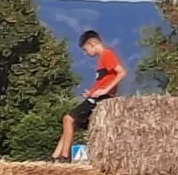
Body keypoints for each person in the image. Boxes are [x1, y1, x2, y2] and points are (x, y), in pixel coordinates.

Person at [52, 29, 125, 161]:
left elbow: (121, 73)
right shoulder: (102, 59)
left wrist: (105, 90)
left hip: (100, 98)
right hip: (95, 96)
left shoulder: (107, 54)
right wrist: (91, 92)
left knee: (68, 119)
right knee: (71, 124)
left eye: (86, 50)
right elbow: (104, 81)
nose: (86, 53)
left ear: (91, 44)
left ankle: (64, 156)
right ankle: (55, 157)